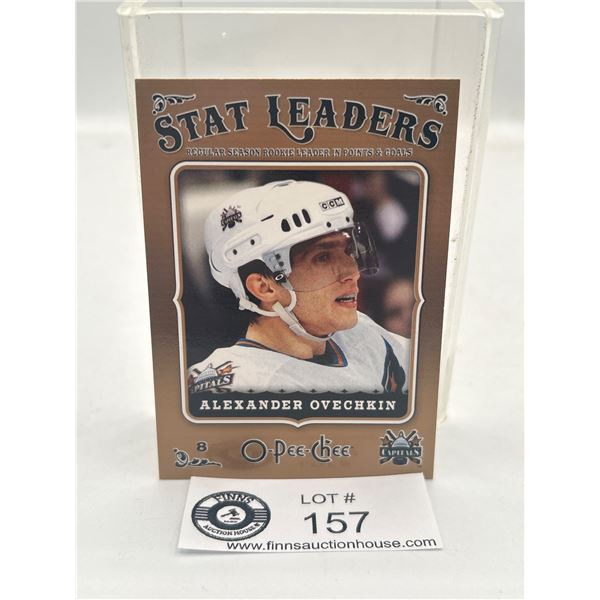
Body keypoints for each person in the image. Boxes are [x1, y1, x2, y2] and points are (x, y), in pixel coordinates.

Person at [187, 180, 410, 395]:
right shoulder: (237, 384)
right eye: (323, 258)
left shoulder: (359, 333)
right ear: (264, 287)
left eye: (348, 251)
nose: (352, 273)